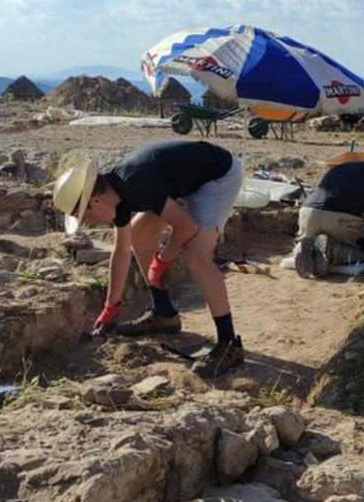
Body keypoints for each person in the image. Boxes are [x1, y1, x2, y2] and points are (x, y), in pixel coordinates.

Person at [52, 140, 245, 376]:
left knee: (196, 256)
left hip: (218, 176)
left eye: (86, 217)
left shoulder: (136, 183)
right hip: (186, 180)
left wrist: (162, 260)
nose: (89, 223)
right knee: (138, 234)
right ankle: (164, 313)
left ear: (95, 201)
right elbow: (121, 252)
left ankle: (229, 345)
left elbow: (185, 227)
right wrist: (110, 306)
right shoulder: (116, 195)